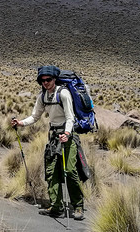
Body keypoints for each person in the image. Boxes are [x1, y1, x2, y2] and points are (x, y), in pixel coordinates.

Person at [11, 65, 86, 220]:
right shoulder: (43, 96)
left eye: (48, 80)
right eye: (42, 80)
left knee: (70, 171)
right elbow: (35, 116)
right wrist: (21, 123)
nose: (45, 83)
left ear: (54, 79)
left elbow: (70, 117)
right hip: (53, 138)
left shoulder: (63, 93)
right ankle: (56, 205)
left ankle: (78, 206)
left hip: (68, 137)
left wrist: (67, 133)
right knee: (52, 172)